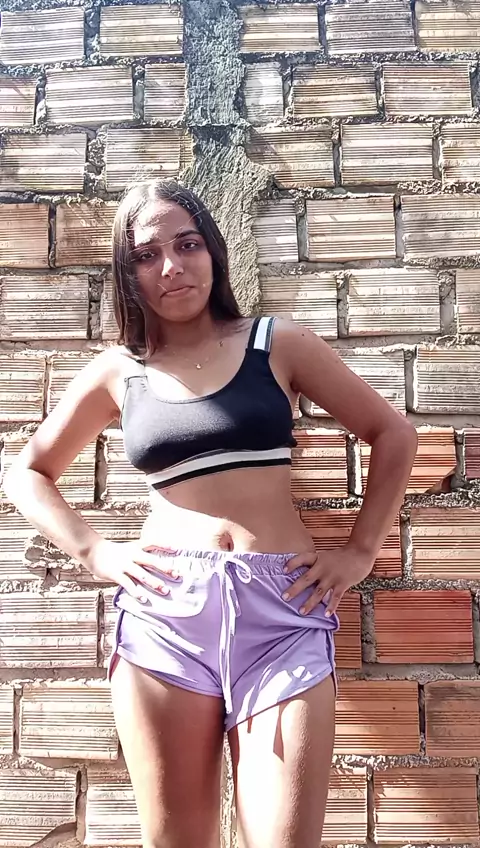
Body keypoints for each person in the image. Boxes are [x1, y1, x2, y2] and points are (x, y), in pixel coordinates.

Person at [3, 180, 417, 848]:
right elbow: (27, 473)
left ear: (213, 252)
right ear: (128, 274)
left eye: (187, 244)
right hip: (166, 615)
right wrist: (95, 551)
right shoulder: (120, 371)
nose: (171, 266)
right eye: (147, 255)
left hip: (283, 609)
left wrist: (360, 551)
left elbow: (393, 434)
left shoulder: (275, 343)